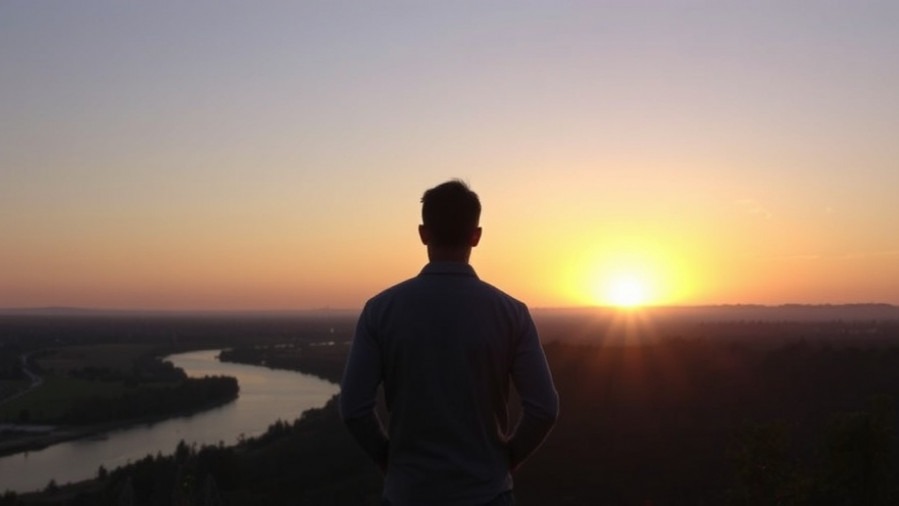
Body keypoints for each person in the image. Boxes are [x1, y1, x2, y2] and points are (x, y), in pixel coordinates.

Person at [339, 180, 559, 506]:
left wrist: (389, 461)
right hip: (488, 493)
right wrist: (505, 460)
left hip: (407, 493)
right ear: (476, 236)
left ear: (423, 233)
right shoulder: (511, 313)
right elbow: (543, 408)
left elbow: (354, 407)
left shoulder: (381, 310)